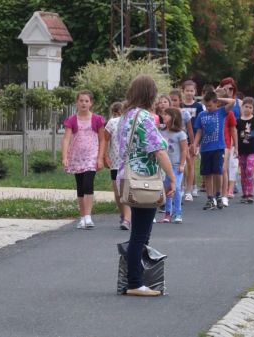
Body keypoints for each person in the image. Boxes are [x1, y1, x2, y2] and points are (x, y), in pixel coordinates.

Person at [117, 75, 176, 297]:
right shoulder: (144, 118)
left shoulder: (126, 116)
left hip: (127, 177)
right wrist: (171, 178)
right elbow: (159, 150)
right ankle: (135, 282)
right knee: (141, 235)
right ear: (150, 94)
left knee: (138, 232)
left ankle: (134, 278)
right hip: (144, 180)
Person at [61, 90, 106, 229]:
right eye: (81, 100)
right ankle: (82, 217)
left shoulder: (97, 119)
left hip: (91, 157)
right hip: (76, 157)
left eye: (86, 101)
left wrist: (100, 158)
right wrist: (64, 157)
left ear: (91, 103)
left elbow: (102, 139)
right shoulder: (72, 120)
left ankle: (88, 216)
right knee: (80, 187)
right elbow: (66, 139)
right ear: (77, 102)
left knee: (88, 184)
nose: (83, 103)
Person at [193, 89, 235, 210]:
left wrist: (219, 98)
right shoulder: (202, 115)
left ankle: (219, 196)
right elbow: (199, 131)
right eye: (206, 106)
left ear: (216, 103)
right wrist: (195, 144)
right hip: (205, 149)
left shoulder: (221, 112)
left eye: (210, 105)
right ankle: (210, 198)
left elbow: (232, 102)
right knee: (207, 174)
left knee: (218, 172)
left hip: (218, 148)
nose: (208, 108)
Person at [104, 101, 131, 230]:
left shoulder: (133, 122)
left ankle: (127, 218)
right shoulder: (112, 122)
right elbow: (105, 139)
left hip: (128, 162)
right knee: (117, 191)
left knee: (125, 190)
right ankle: (123, 214)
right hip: (115, 162)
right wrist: (104, 156)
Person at [159, 107, 188, 224]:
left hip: (176, 165)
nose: (164, 116)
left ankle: (178, 213)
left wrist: (182, 164)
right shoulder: (161, 131)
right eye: (164, 114)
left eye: (167, 114)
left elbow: (184, 150)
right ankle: (167, 213)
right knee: (167, 189)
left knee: (175, 188)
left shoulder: (180, 134)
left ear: (174, 117)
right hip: (165, 166)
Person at [219, 77, 243, 197]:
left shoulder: (239, 103)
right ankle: (225, 185)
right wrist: (219, 91)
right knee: (223, 163)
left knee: (233, 162)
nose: (229, 90)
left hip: (236, 133)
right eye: (226, 88)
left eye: (231, 88)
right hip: (223, 133)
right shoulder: (218, 102)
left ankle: (231, 186)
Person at [181, 80, 204, 201]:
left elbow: (200, 123)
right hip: (181, 138)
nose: (189, 93)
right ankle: (187, 186)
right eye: (187, 90)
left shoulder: (198, 106)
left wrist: (197, 141)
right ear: (183, 91)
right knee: (183, 165)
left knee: (191, 164)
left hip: (194, 138)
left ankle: (191, 188)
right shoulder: (180, 105)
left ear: (195, 92)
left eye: (192, 90)